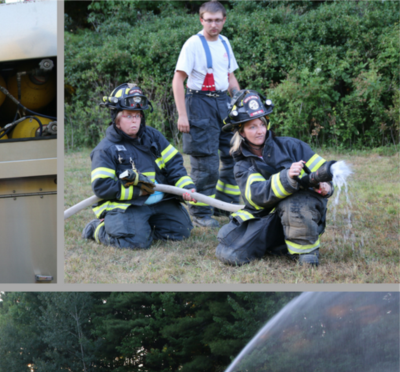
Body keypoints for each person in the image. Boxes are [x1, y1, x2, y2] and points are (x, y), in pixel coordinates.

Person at [215, 90, 335, 267]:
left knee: (292, 200)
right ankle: (280, 244)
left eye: (261, 125)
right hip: (268, 216)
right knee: (231, 254)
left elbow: (324, 170)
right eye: (252, 127)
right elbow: (257, 195)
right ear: (241, 132)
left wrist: (326, 186)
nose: (259, 131)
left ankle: (306, 252)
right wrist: (287, 178)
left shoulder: (292, 146)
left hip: (304, 209)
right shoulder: (242, 165)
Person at [81, 83, 196, 250]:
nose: (134, 120)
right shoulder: (105, 149)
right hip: (129, 205)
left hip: (158, 200)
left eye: (137, 115)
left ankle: (142, 228)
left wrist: (186, 187)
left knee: (181, 231)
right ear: (116, 119)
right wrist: (139, 191)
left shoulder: (153, 136)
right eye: (128, 116)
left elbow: (174, 164)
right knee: (136, 242)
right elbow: (102, 186)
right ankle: (98, 230)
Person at [172, 0, 241, 228]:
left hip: (223, 102)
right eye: (209, 20)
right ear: (201, 20)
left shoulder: (225, 42)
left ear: (224, 20)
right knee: (206, 163)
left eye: (218, 20)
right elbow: (178, 81)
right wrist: (183, 115)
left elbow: (230, 77)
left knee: (234, 155)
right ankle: (200, 212)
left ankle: (225, 204)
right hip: (198, 103)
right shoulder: (192, 44)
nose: (213, 24)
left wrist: (240, 101)